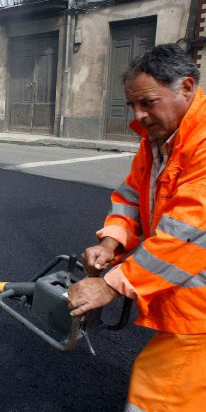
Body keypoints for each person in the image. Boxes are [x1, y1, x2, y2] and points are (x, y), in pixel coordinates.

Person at [68, 44, 205, 411]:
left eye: (148, 102)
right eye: (132, 106)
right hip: (188, 292)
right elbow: (131, 194)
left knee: (157, 395)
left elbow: (186, 232)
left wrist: (110, 284)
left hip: (200, 310)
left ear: (187, 87)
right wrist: (112, 241)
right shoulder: (159, 140)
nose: (140, 115)